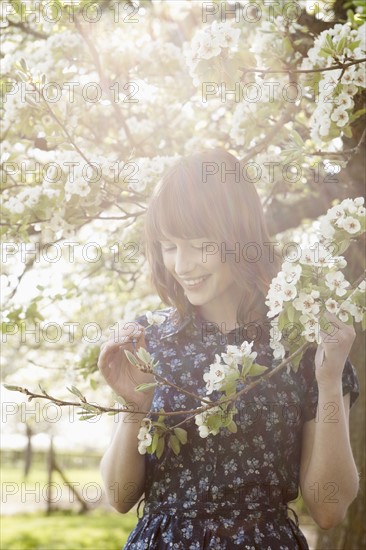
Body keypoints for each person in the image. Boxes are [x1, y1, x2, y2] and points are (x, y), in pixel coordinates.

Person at [98, 149, 360, 549]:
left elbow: (329, 509)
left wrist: (327, 380)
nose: (182, 265)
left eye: (199, 244)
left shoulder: (303, 342)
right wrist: (135, 407)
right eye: (168, 246)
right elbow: (119, 497)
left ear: (239, 237)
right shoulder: (150, 340)